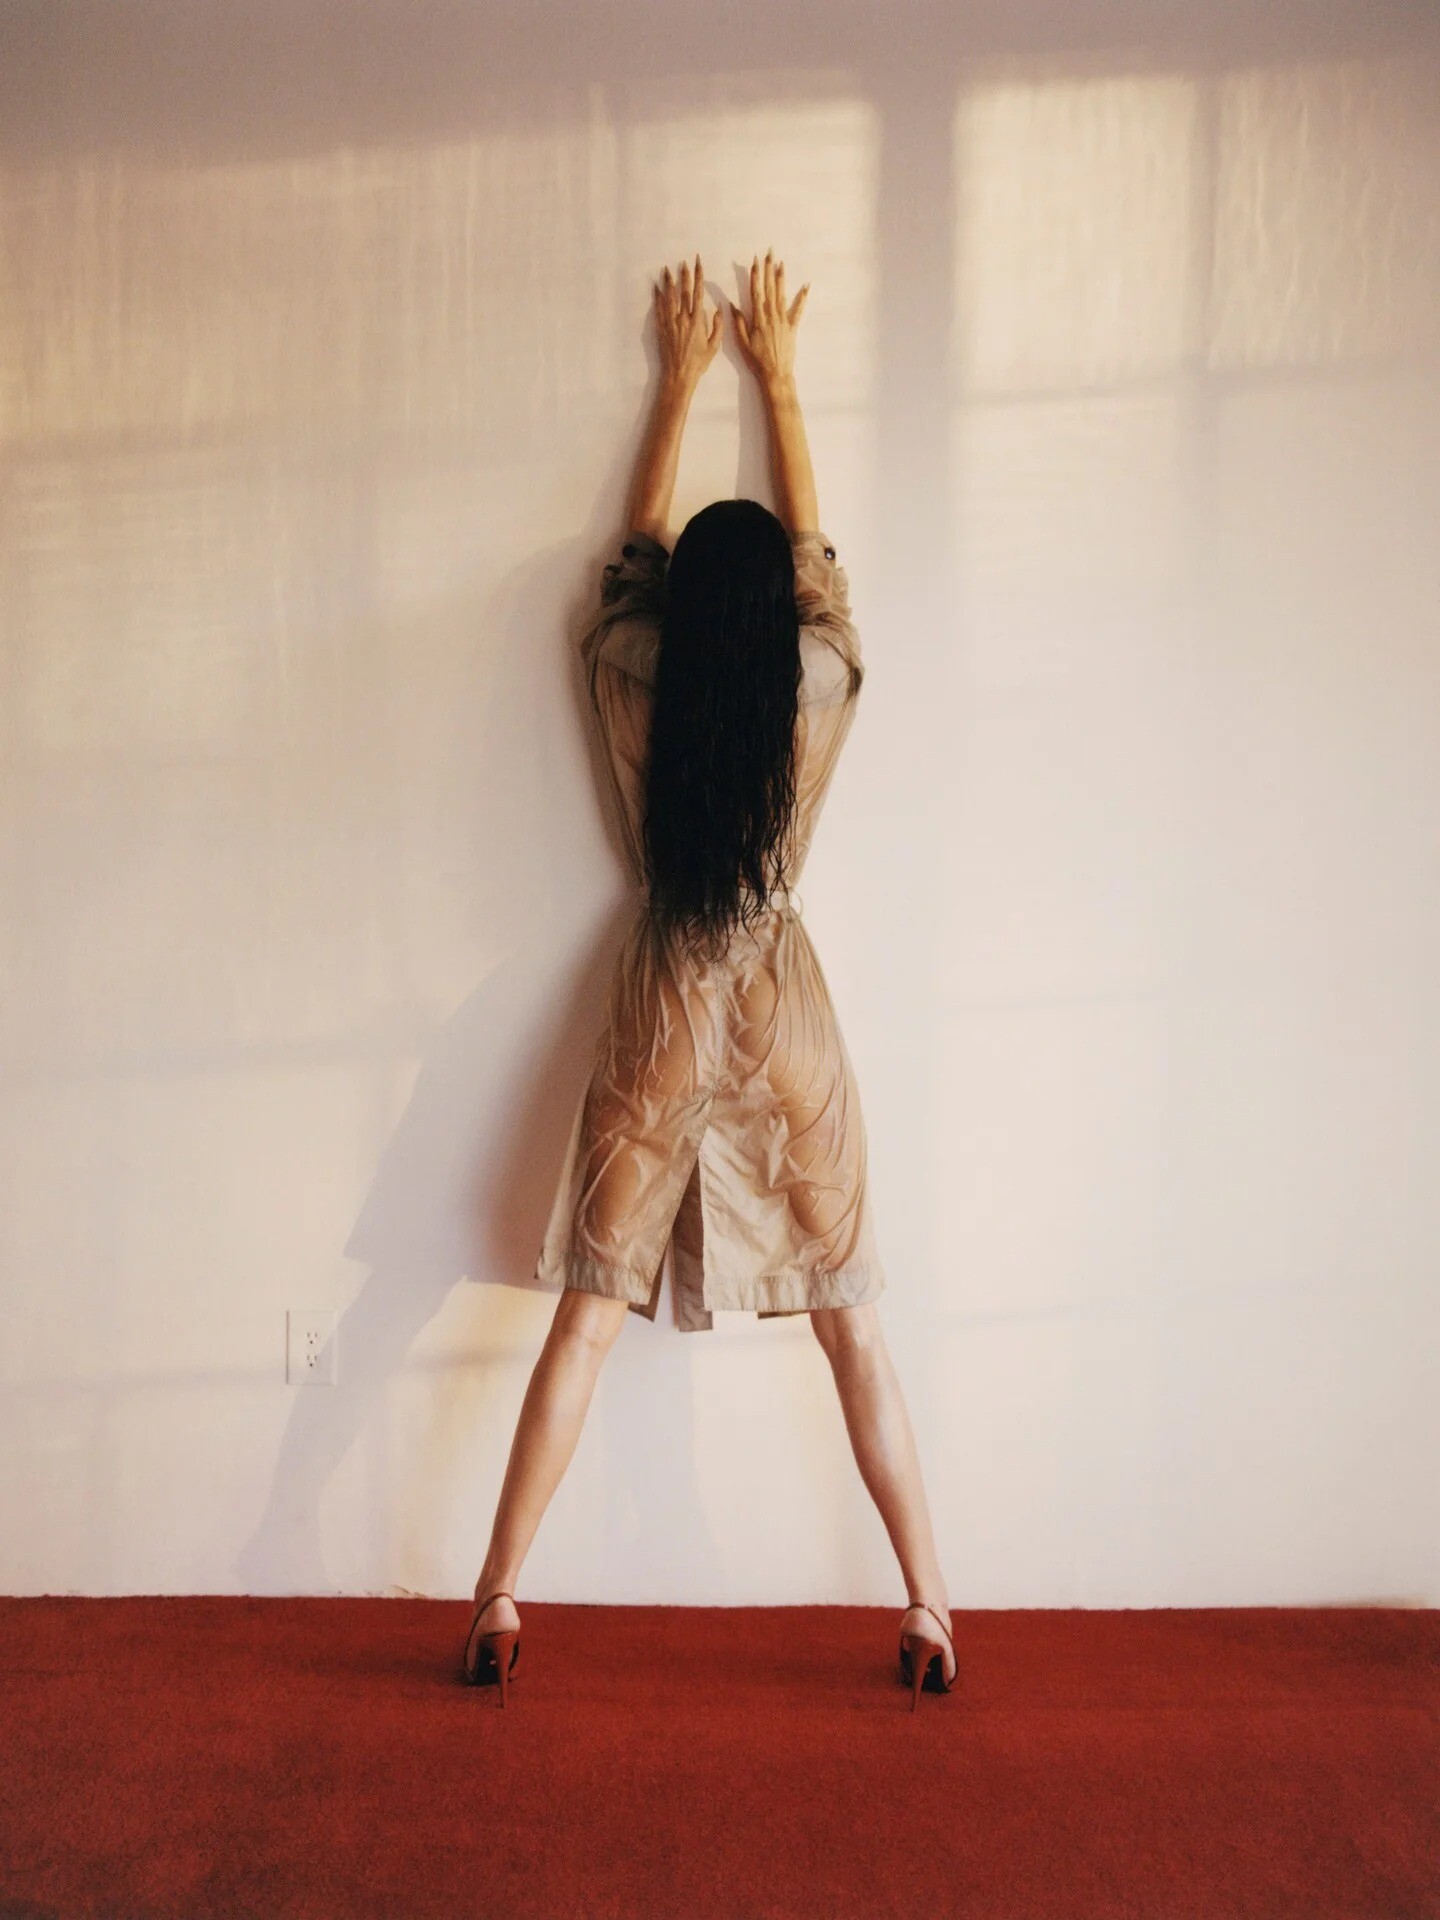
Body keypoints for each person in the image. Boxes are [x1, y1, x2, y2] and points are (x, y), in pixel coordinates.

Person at [462, 252, 955, 1710]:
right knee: (852, 1321)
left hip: (664, 1001)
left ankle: (497, 1594)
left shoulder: (634, 676)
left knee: (584, 1311)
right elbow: (824, 577)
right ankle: (931, 1608)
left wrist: (674, 386)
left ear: (686, 612)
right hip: (781, 1009)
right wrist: (781, 385)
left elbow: (630, 566)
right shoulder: (814, 689)